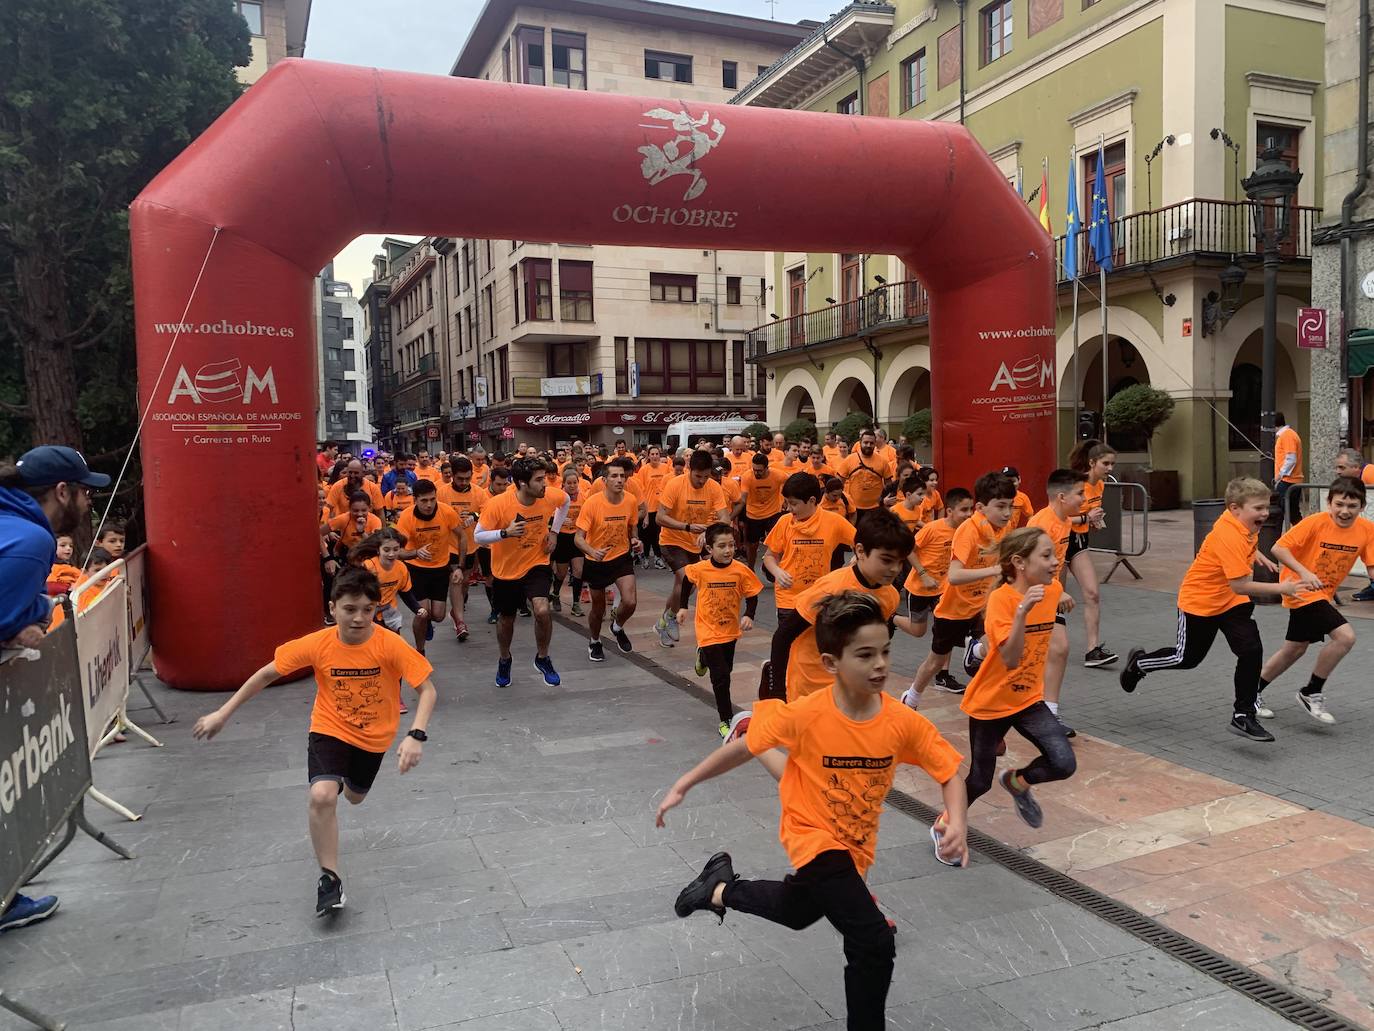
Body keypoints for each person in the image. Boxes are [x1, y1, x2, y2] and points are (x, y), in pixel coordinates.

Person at [657, 592, 968, 1030]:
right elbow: (746, 746)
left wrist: (958, 820)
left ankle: (718, 889)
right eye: (864, 655)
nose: (880, 664)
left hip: (855, 844)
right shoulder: (807, 714)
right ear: (830, 663)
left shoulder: (902, 722)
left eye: (885, 652)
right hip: (812, 836)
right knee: (873, 940)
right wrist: (684, 783)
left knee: (798, 911)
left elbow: (950, 771)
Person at [193, 567, 436, 915]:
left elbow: (427, 690)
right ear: (333, 607)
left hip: (374, 736)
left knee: (354, 797)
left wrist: (416, 735)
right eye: (350, 609)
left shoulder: (389, 643)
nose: (359, 618)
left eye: (368, 609)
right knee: (322, 796)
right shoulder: (317, 644)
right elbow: (265, 674)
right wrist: (223, 713)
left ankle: (342, 784)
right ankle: (330, 878)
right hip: (330, 727)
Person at [1120, 477, 1319, 742]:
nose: (1265, 513)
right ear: (1235, 508)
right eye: (1258, 508)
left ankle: (1243, 715)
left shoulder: (1242, 522)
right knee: (1186, 659)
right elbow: (1241, 585)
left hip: (1232, 604)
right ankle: (1139, 664)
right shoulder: (1228, 535)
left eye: (1265, 506)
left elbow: (1243, 549)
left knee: (1251, 650)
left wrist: (1256, 553)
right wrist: (1285, 589)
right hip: (1200, 603)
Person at [959, 528, 1078, 831]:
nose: (1056, 562)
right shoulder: (1002, 600)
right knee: (979, 781)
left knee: (1064, 763)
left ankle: (1017, 782)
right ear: (1019, 562)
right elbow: (1010, 660)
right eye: (1046, 555)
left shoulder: (1049, 591)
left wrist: (1062, 593)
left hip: (1027, 700)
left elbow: (1056, 596)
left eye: (1055, 554)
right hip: (991, 704)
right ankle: (947, 825)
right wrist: (1023, 612)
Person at [1254, 476, 1374, 725]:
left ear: (1362, 506)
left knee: (1294, 649)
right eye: (1339, 504)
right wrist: (1305, 572)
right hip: (1301, 590)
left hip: (1323, 594)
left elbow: (1372, 567)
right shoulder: (1315, 522)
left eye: (1352, 506)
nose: (1344, 511)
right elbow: (1278, 548)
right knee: (1345, 637)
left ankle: (1250, 693)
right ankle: (1311, 691)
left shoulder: (1367, 530)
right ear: (1329, 503)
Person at [765, 508, 913, 704]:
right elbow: (783, 636)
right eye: (886, 560)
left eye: (900, 562)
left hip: (852, 688)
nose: (895, 569)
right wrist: (777, 693)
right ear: (860, 551)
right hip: (810, 687)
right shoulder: (830, 588)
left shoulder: (890, 597)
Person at [906, 472, 1015, 706]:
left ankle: (975, 658)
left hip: (981, 608)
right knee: (935, 662)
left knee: (997, 646)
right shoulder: (969, 531)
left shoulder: (1003, 529)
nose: (1007, 513)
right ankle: (912, 696)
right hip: (952, 610)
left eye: (1011, 506)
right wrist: (995, 571)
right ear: (981, 507)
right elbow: (954, 576)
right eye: (1001, 506)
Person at [474, 458, 570, 688]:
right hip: (506, 571)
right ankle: (505, 659)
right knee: (507, 619)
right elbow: (478, 536)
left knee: (542, 609)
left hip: (537, 562)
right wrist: (504, 533)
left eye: (544, 478)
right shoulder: (498, 504)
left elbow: (565, 501)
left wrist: (554, 532)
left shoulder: (548, 495)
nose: (544, 484)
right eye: (538, 480)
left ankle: (543, 658)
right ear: (521, 483)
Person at [676, 523, 763, 736]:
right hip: (707, 631)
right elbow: (687, 581)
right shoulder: (700, 569)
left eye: (732, 545)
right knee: (721, 676)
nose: (728, 550)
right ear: (709, 549)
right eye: (722, 546)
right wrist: (683, 607)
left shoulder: (741, 570)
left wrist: (748, 615)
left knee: (727, 669)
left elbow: (752, 594)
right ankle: (726, 720)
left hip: (730, 630)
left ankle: (703, 658)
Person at [1026, 469, 1088, 736]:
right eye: (1080, 494)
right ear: (1062, 497)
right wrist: (1055, 590)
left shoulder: (1065, 522)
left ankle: (1049, 714)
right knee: (1015, 654)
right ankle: (979, 651)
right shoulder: (1041, 524)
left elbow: (1056, 563)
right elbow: (1028, 566)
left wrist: (1057, 590)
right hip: (1029, 592)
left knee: (1059, 649)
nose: (1084, 499)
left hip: (1048, 592)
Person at [654, 450, 731, 648]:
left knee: (685, 586)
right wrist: (686, 526)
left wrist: (709, 532)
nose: (702, 481)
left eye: (706, 476)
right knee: (686, 578)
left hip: (696, 543)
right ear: (689, 470)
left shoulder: (713, 487)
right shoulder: (675, 485)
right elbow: (660, 517)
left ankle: (665, 618)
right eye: (698, 476)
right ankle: (671, 618)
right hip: (672, 540)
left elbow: (725, 518)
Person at [895, 487, 974, 659]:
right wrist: (923, 575)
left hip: (944, 589)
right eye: (964, 510)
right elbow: (909, 550)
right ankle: (891, 617)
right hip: (919, 588)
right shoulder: (932, 528)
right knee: (918, 631)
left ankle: (942, 674)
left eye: (971, 509)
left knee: (945, 629)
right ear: (950, 511)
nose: (969, 514)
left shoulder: (968, 531)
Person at [576, 461, 641, 661]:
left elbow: (632, 526)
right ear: (604, 480)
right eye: (614, 476)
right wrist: (592, 551)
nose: (619, 480)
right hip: (596, 561)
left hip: (621, 556)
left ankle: (617, 626)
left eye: (622, 476)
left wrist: (636, 540)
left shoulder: (630, 500)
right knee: (598, 610)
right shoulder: (592, 503)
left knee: (630, 602)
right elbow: (578, 538)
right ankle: (594, 641)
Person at [1065, 440, 1119, 669]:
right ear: (1092, 462)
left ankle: (1092, 650)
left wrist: (1096, 521)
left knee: (1092, 594)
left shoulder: (1100, 486)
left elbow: (1090, 514)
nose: (1110, 468)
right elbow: (1059, 519)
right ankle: (1038, 642)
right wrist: (1088, 518)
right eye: (1105, 463)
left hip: (1079, 542)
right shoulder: (1074, 485)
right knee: (1051, 599)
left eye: (1112, 464)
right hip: (1059, 543)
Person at [395, 480, 463, 657]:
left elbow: (462, 537)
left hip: (441, 568)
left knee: (438, 616)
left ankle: (429, 625)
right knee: (422, 613)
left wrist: (459, 567)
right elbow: (397, 551)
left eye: (432, 499)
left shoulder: (446, 511)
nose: (429, 505)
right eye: (424, 500)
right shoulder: (406, 517)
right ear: (415, 500)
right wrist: (415, 553)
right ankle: (420, 651)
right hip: (416, 569)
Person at [438, 456, 488, 642]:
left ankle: (456, 610)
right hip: (449, 545)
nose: (464, 482)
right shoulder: (441, 493)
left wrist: (474, 516)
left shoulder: (478, 493)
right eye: (460, 479)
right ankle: (460, 622)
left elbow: (488, 511)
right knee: (456, 580)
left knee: (465, 582)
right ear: (452, 476)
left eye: (468, 478)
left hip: (470, 545)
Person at [550, 466, 588, 617]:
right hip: (561, 538)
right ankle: (556, 593)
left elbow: (588, 514)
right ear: (563, 484)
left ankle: (576, 604)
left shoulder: (584, 497)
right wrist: (557, 519)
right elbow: (549, 515)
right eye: (569, 483)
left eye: (575, 483)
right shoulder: (558, 498)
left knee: (579, 570)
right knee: (561, 573)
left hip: (577, 537)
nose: (572, 486)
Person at [741, 453, 788, 573]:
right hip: (753, 514)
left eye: (760, 471)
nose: (756, 473)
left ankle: (773, 567)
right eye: (754, 470)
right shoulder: (747, 476)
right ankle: (751, 569)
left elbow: (790, 482)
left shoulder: (778, 475)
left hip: (773, 513)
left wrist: (786, 500)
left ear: (767, 468)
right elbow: (743, 499)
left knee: (777, 542)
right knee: (752, 545)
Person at [839, 429, 894, 519]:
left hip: (876, 509)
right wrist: (843, 501)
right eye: (866, 442)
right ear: (860, 443)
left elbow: (889, 485)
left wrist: (885, 502)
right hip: (854, 509)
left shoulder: (883, 462)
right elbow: (838, 482)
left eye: (871, 443)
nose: (868, 445)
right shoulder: (849, 460)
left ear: (875, 443)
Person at [633, 445, 671, 570]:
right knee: (646, 535)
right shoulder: (644, 470)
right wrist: (645, 514)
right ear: (648, 456)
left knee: (658, 534)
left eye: (657, 454)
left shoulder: (666, 468)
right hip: (648, 508)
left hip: (661, 507)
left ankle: (658, 558)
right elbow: (641, 492)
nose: (655, 456)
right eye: (652, 454)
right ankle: (644, 557)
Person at [1274, 412, 1304, 526]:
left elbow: (1291, 458)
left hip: (1288, 481)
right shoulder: (1288, 435)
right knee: (1292, 513)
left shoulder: (1287, 436)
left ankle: (1303, 534)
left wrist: (1280, 475)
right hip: (1290, 480)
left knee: (1289, 512)